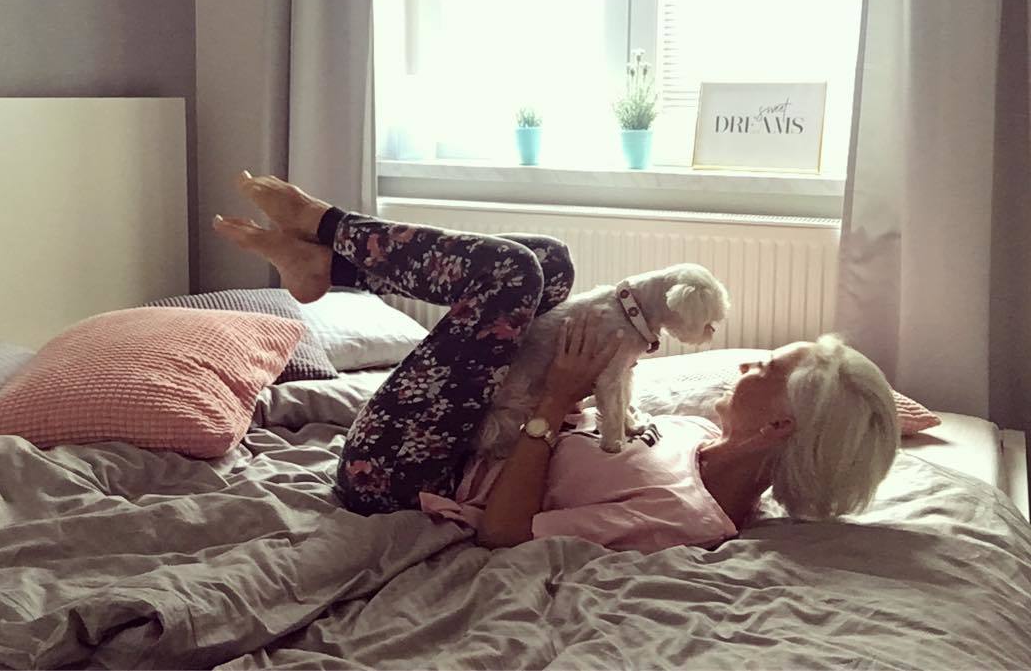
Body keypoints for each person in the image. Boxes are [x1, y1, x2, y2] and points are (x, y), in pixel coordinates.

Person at [215, 173, 900, 554]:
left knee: (513, 272)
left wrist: (552, 405)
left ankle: (325, 229)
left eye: (767, 370)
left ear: (780, 426)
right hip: (470, 421)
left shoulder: (684, 514)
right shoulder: (699, 436)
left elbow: (505, 531)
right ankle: (327, 265)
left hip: (402, 471)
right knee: (551, 261)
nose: (746, 367)